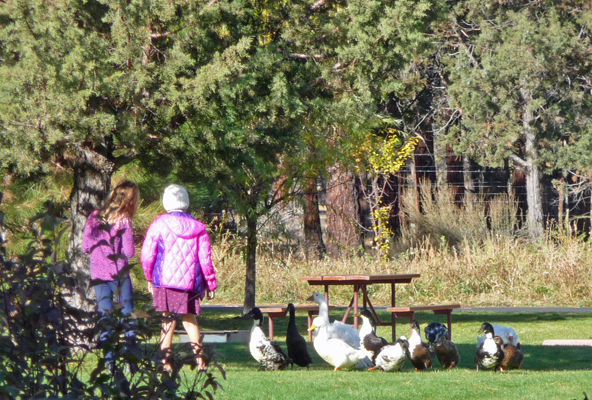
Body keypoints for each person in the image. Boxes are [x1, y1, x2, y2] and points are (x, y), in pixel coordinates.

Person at [141, 184, 217, 372]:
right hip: (188, 283)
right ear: (186, 202)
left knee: (167, 321)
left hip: (165, 281)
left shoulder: (159, 223)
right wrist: (210, 283)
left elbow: (147, 254)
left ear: (166, 202)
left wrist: (149, 276)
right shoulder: (198, 227)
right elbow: (205, 259)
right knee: (190, 321)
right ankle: (201, 362)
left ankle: (164, 362)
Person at [82, 180, 140, 365]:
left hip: (98, 275)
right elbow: (129, 252)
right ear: (130, 200)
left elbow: (85, 246)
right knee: (128, 314)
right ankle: (131, 358)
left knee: (104, 316)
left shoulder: (94, 216)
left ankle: (109, 362)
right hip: (119, 275)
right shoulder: (124, 220)